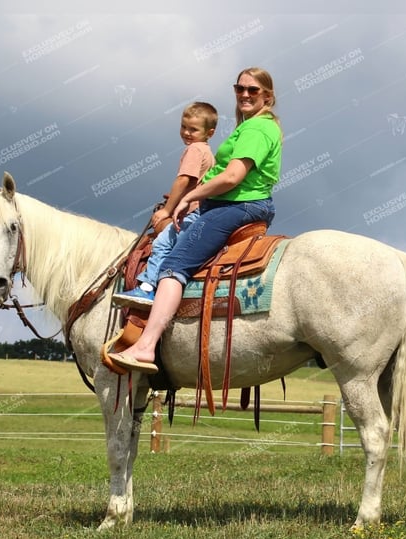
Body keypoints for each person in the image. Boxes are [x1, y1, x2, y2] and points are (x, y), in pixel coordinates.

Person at [109, 67, 282, 374]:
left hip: (237, 205)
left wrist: (190, 198)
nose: (244, 94)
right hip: (236, 203)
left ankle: (146, 346)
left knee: (174, 266)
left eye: (253, 90)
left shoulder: (256, 129)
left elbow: (232, 176)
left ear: (267, 96)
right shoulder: (253, 126)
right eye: (239, 88)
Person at [112, 101, 218, 309]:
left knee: (162, 243)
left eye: (193, 129)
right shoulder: (206, 151)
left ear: (210, 132)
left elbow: (183, 180)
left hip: (191, 212)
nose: (187, 133)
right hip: (199, 210)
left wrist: (167, 210)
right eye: (183, 127)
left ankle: (147, 288)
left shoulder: (194, 150)